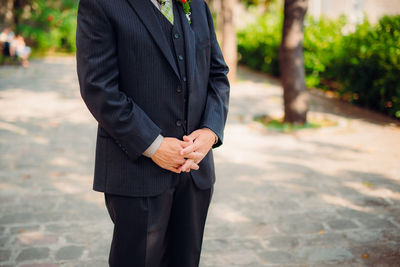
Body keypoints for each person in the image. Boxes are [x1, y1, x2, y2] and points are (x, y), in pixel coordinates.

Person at [76, 0, 230, 266]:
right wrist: (154, 145)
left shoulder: (198, 5)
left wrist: (210, 131)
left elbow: (217, 74)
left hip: (194, 172)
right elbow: (99, 87)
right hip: (136, 171)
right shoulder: (100, 4)